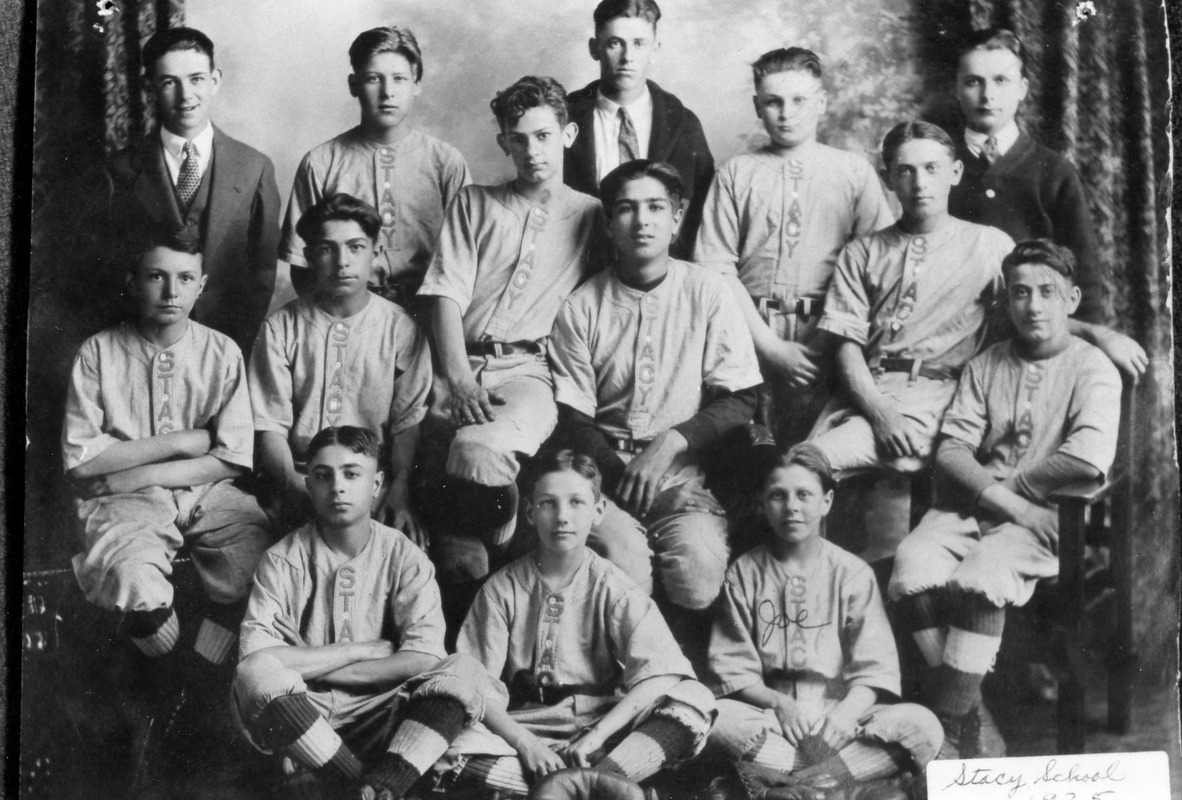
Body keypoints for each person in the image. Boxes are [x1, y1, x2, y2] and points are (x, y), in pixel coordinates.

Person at [887, 239, 1121, 759]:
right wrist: (1002, 498)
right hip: (980, 507)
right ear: (1005, 300)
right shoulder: (987, 363)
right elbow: (952, 449)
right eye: (1019, 292)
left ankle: (945, 729)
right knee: (910, 566)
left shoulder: (1092, 367)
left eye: (1047, 292)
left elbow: (1086, 456)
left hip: (1051, 518)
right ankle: (974, 723)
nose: (1033, 305)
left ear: (1073, 299)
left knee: (981, 577)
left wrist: (1008, 496)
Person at [548, 159, 762, 655]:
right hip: (600, 472)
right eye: (625, 209)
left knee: (699, 571)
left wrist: (670, 444)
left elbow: (742, 397)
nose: (641, 221)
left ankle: (683, 678)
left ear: (677, 218)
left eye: (655, 208)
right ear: (608, 223)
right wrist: (614, 477)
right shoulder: (583, 305)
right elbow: (573, 415)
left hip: (681, 473)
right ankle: (621, 682)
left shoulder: (707, 290)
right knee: (625, 570)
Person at [416, 76, 603, 603]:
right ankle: (469, 554)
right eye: (518, 139)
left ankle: (497, 537)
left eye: (543, 136)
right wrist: (454, 379)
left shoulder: (591, 213)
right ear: (503, 142)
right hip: (453, 360)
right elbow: (445, 295)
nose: (531, 151)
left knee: (479, 450)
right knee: (415, 439)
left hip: (529, 371)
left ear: (568, 135)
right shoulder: (475, 202)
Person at [231, 426, 492, 800]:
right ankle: (364, 788)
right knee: (254, 675)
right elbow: (257, 658)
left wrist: (306, 656)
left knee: (463, 668)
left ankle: (384, 780)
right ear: (309, 484)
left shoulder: (405, 557)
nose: (337, 486)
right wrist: (361, 649)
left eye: (352, 474)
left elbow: (424, 658)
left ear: (377, 484)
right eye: (323, 475)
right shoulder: (282, 559)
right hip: (306, 708)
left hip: (384, 711)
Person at [443, 450, 715, 797]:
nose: (562, 517)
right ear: (529, 511)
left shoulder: (611, 585)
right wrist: (525, 743)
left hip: (600, 724)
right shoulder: (503, 589)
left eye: (576, 502)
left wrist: (599, 734)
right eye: (548, 503)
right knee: (449, 741)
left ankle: (601, 778)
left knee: (694, 700)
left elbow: (662, 670)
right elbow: (476, 686)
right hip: (527, 725)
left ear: (598, 510)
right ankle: (580, 789)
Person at [63, 226, 270, 667]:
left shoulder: (222, 351)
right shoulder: (98, 352)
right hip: (122, 499)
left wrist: (139, 470)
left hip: (204, 492)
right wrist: (186, 440)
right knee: (128, 572)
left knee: (258, 561)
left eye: (186, 278)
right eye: (157, 277)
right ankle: (166, 665)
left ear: (202, 285)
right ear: (132, 282)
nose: (172, 292)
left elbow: (230, 459)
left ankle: (201, 672)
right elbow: (82, 460)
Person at [707, 444, 942, 798]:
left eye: (804, 495)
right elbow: (734, 672)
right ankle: (845, 783)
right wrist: (780, 705)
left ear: (827, 501)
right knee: (715, 717)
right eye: (778, 495)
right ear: (763, 502)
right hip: (775, 719)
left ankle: (800, 787)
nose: (792, 507)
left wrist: (846, 716)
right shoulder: (744, 572)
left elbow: (873, 670)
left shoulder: (852, 573)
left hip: (840, 717)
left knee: (924, 726)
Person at [695, 47, 894, 446]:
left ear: (821, 102)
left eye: (799, 100)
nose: (787, 113)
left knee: (814, 462)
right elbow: (714, 268)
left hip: (831, 338)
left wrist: (823, 341)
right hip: (750, 335)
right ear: (757, 106)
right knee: (751, 457)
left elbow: (878, 266)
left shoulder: (853, 173)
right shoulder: (737, 173)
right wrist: (769, 347)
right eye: (773, 102)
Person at [946, 28, 1147, 380]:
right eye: (974, 81)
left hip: (1033, 344)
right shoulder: (936, 168)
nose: (988, 94)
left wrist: (1087, 344)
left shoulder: (1053, 172)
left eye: (1001, 81)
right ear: (957, 87)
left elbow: (1082, 272)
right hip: (954, 341)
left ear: (1022, 88)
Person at [70, 26, 280, 354]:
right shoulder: (119, 171)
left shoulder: (255, 168)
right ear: (150, 87)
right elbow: (101, 267)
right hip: (140, 343)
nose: (186, 96)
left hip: (224, 344)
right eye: (170, 82)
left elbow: (263, 271)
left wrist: (238, 339)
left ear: (214, 81)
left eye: (196, 79)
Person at [249, 193, 431, 538]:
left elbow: (408, 422)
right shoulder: (281, 327)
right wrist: (292, 487)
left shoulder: (400, 328)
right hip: (301, 478)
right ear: (308, 257)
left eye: (356, 247)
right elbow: (269, 424)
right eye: (326, 249)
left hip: (372, 483)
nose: (342, 262)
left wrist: (400, 488)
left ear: (375, 254)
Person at [280, 25, 470, 308]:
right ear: (354, 85)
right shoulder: (320, 163)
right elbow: (302, 264)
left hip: (428, 314)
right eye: (373, 79)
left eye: (399, 79)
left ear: (416, 84)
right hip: (348, 312)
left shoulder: (446, 162)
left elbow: (464, 258)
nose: (387, 92)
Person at [564, 0, 713, 259]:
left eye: (639, 43)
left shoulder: (683, 124)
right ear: (594, 48)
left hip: (659, 277)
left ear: (655, 49)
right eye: (615, 43)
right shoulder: (565, 118)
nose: (627, 57)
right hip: (578, 272)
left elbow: (701, 211)